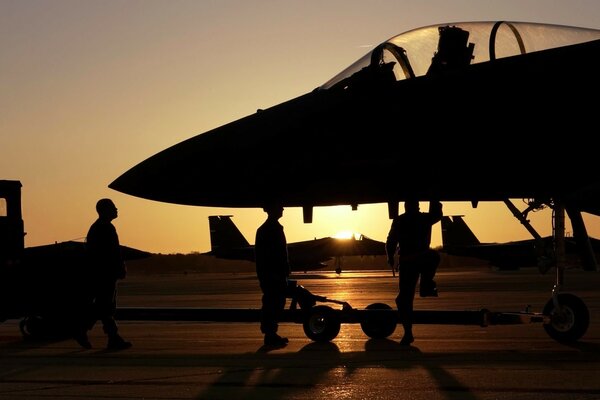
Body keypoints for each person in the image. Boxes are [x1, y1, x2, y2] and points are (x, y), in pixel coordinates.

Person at [73, 198, 131, 350]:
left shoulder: (101, 227)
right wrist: (119, 267)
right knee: (104, 306)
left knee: (105, 306)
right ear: (105, 210)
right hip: (104, 274)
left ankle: (110, 337)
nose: (116, 209)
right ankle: (85, 330)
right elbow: (110, 252)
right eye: (113, 207)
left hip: (104, 273)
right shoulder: (104, 228)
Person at [386, 199, 443, 345]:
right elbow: (437, 214)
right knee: (434, 256)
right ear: (417, 206)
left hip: (408, 262)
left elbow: (391, 241)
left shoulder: (400, 221)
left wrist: (390, 258)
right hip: (422, 259)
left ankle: (408, 333)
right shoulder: (424, 218)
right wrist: (435, 199)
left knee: (404, 299)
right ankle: (426, 284)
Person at [254, 204, 291, 347]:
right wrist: (271, 274)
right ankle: (269, 336)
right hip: (271, 275)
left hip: (275, 274)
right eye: (280, 207)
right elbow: (265, 255)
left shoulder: (272, 228)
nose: (282, 210)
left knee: (277, 303)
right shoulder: (267, 230)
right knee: (272, 304)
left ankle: (272, 334)